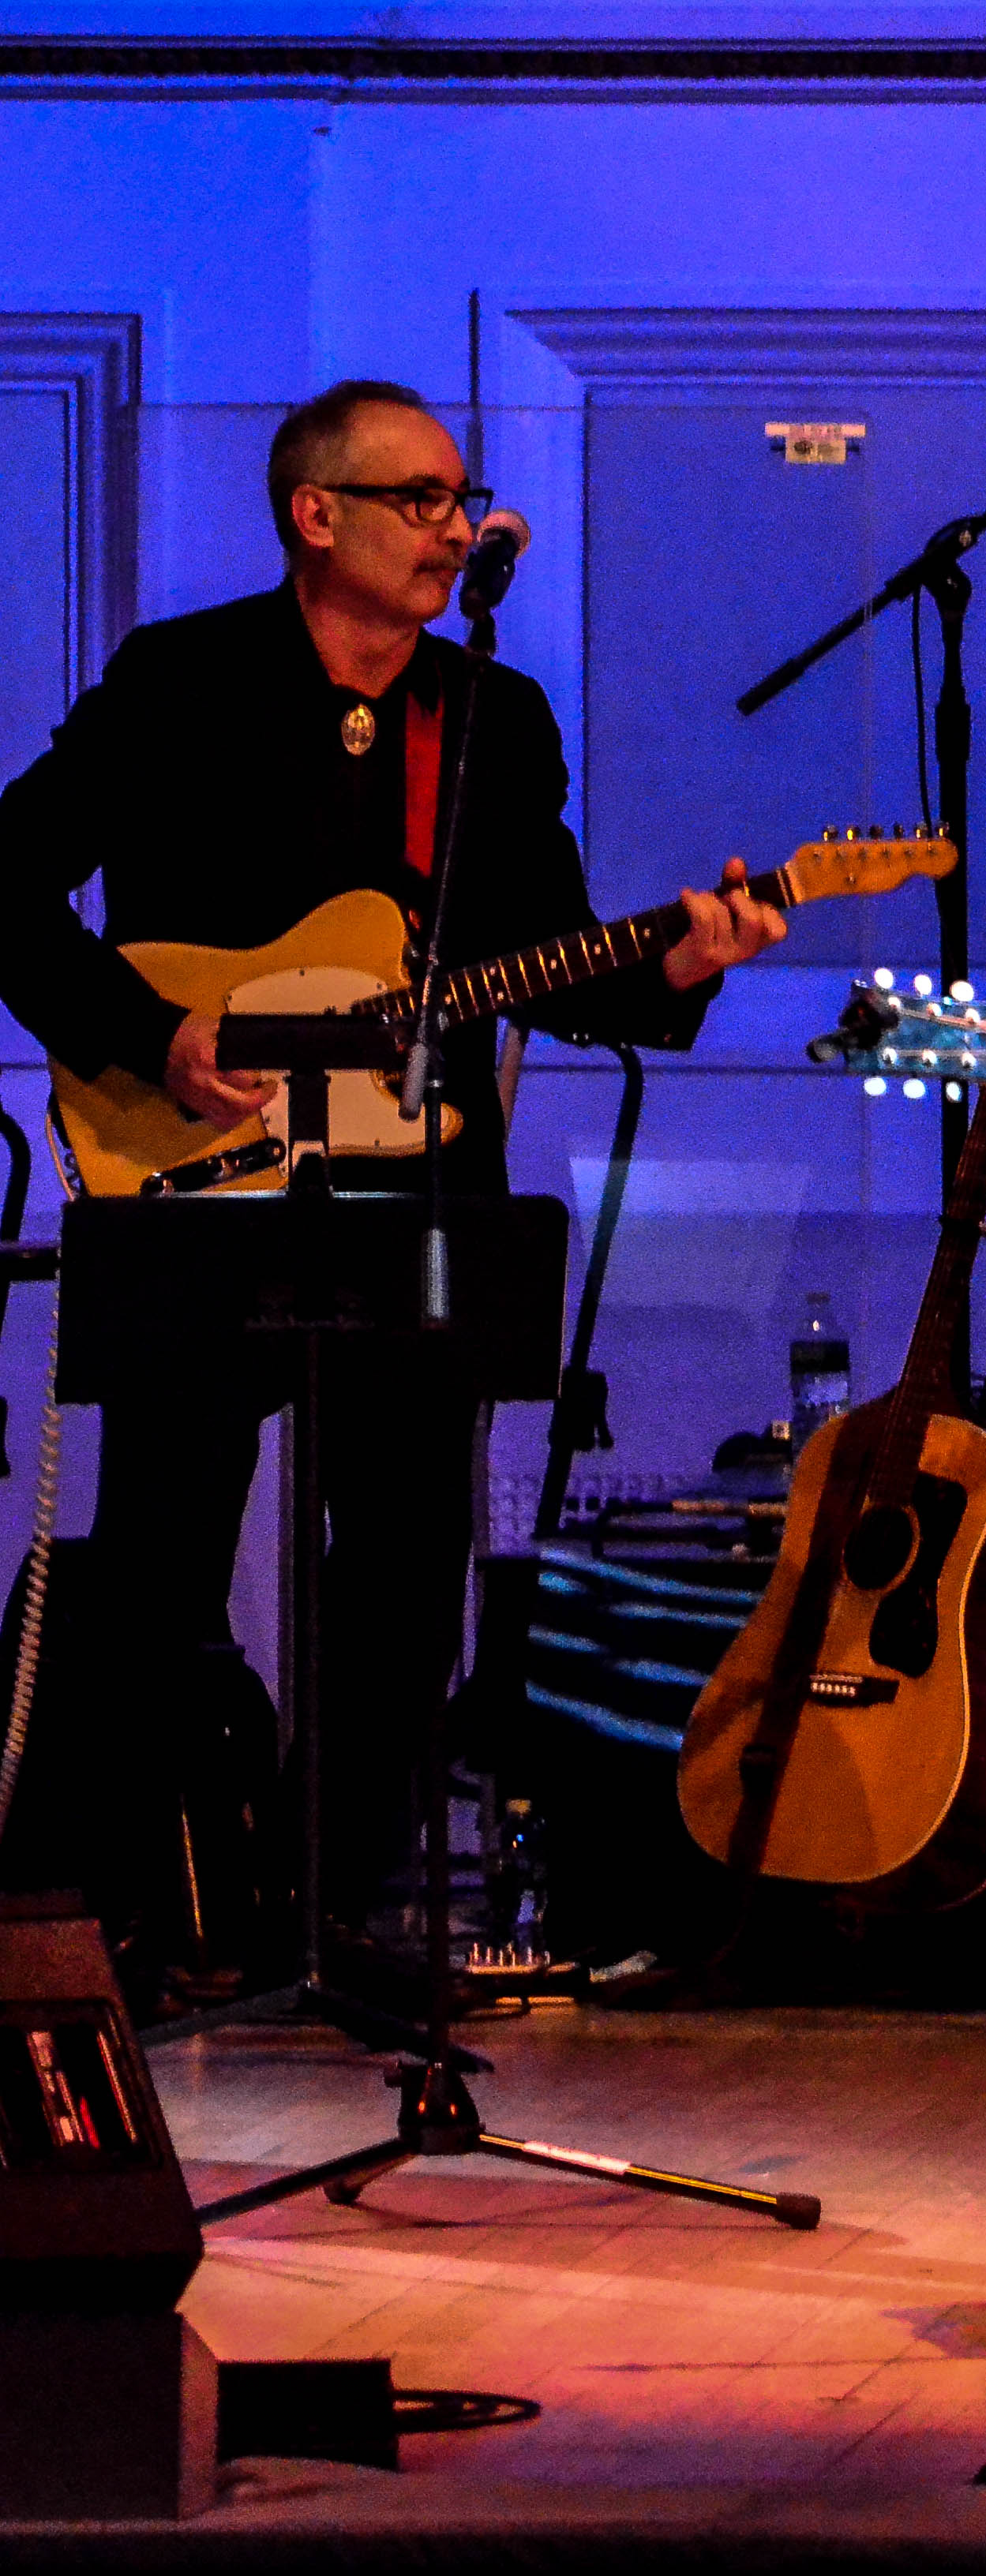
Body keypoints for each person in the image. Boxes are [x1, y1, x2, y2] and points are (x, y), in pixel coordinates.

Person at [0, 379, 786, 1984]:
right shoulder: (181, 682)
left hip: (416, 1191)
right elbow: (2, 886)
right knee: (152, 1559)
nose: (456, 524)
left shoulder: (489, 716)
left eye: (460, 497)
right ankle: (85, 1925)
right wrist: (149, 1035)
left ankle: (318, 1912)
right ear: (319, 516)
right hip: (192, 1180)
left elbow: (549, 967)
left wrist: (684, 965)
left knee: (414, 1569)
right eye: (420, 497)